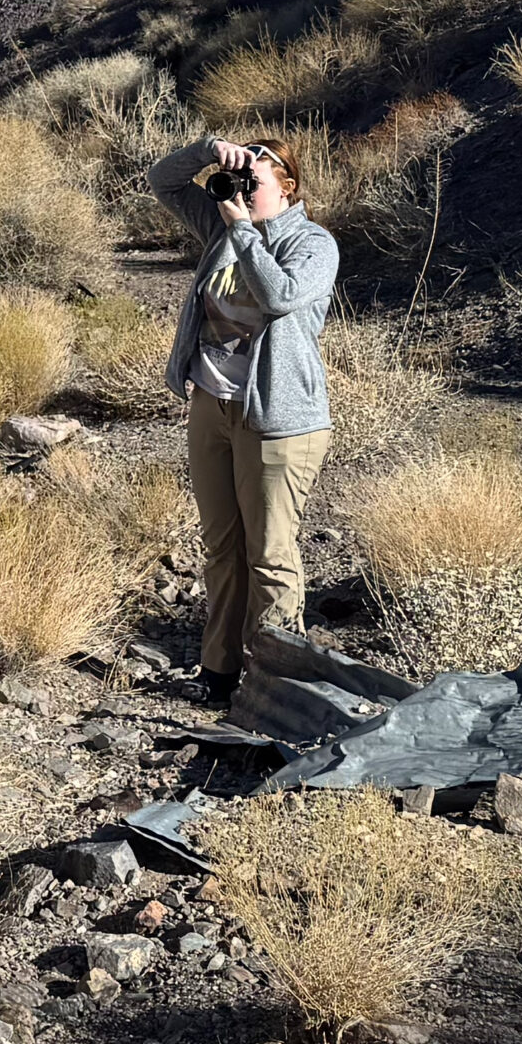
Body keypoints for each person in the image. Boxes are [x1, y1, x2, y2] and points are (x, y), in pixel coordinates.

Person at [148, 133, 337, 711]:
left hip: (279, 417)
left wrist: (243, 231)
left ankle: (278, 682)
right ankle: (220, 670)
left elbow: (278, 297)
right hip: (212, 405)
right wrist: (210, 152)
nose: (244, 190)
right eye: (241, 180)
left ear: (289, 187)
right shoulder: (222, 230)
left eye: (256, 181)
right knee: (221, 546)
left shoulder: (314, 244)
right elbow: (162, 181)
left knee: (270, 554)